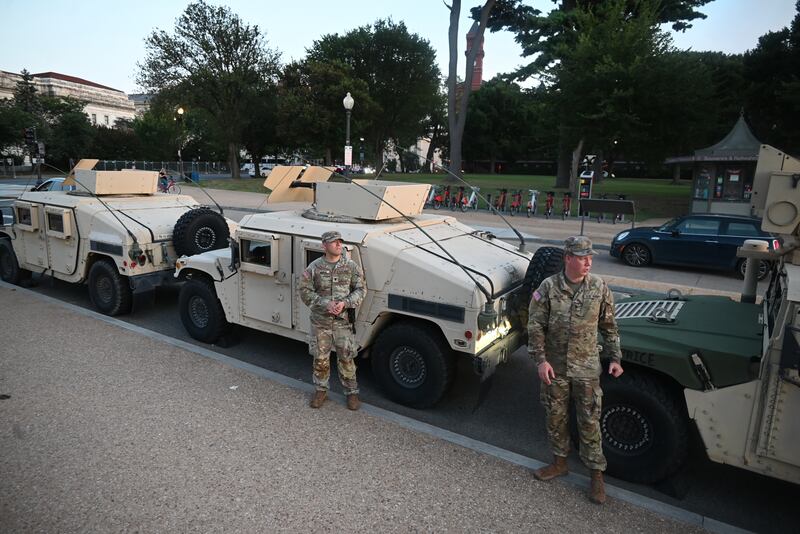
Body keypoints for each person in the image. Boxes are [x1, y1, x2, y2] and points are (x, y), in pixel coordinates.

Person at [528, 236, 624, 504]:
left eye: (590, 257)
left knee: (590, 421)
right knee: (555, 418)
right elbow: (535, 327)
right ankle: (559, 463)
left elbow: (609, 326)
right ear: (568, 258)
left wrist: (615, 358)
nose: (588, 262)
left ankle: (596, 476)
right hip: (555, 369)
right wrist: (540, 361)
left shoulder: (598, 287)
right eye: (583, 257)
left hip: (587, 370)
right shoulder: (547, 288)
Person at [299, 230, 365, 411]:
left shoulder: (350, 266)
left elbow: (360, 290)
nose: (338, 244)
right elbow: (304, 291)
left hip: (343, 322)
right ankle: (321, 390)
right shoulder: (314, 267)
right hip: (321, 322)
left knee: (347, 357)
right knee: (320, 359)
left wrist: (345, 303)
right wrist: (324, 304)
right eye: (334, 242)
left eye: (340, 241)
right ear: (324, 245)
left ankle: (352, 393)